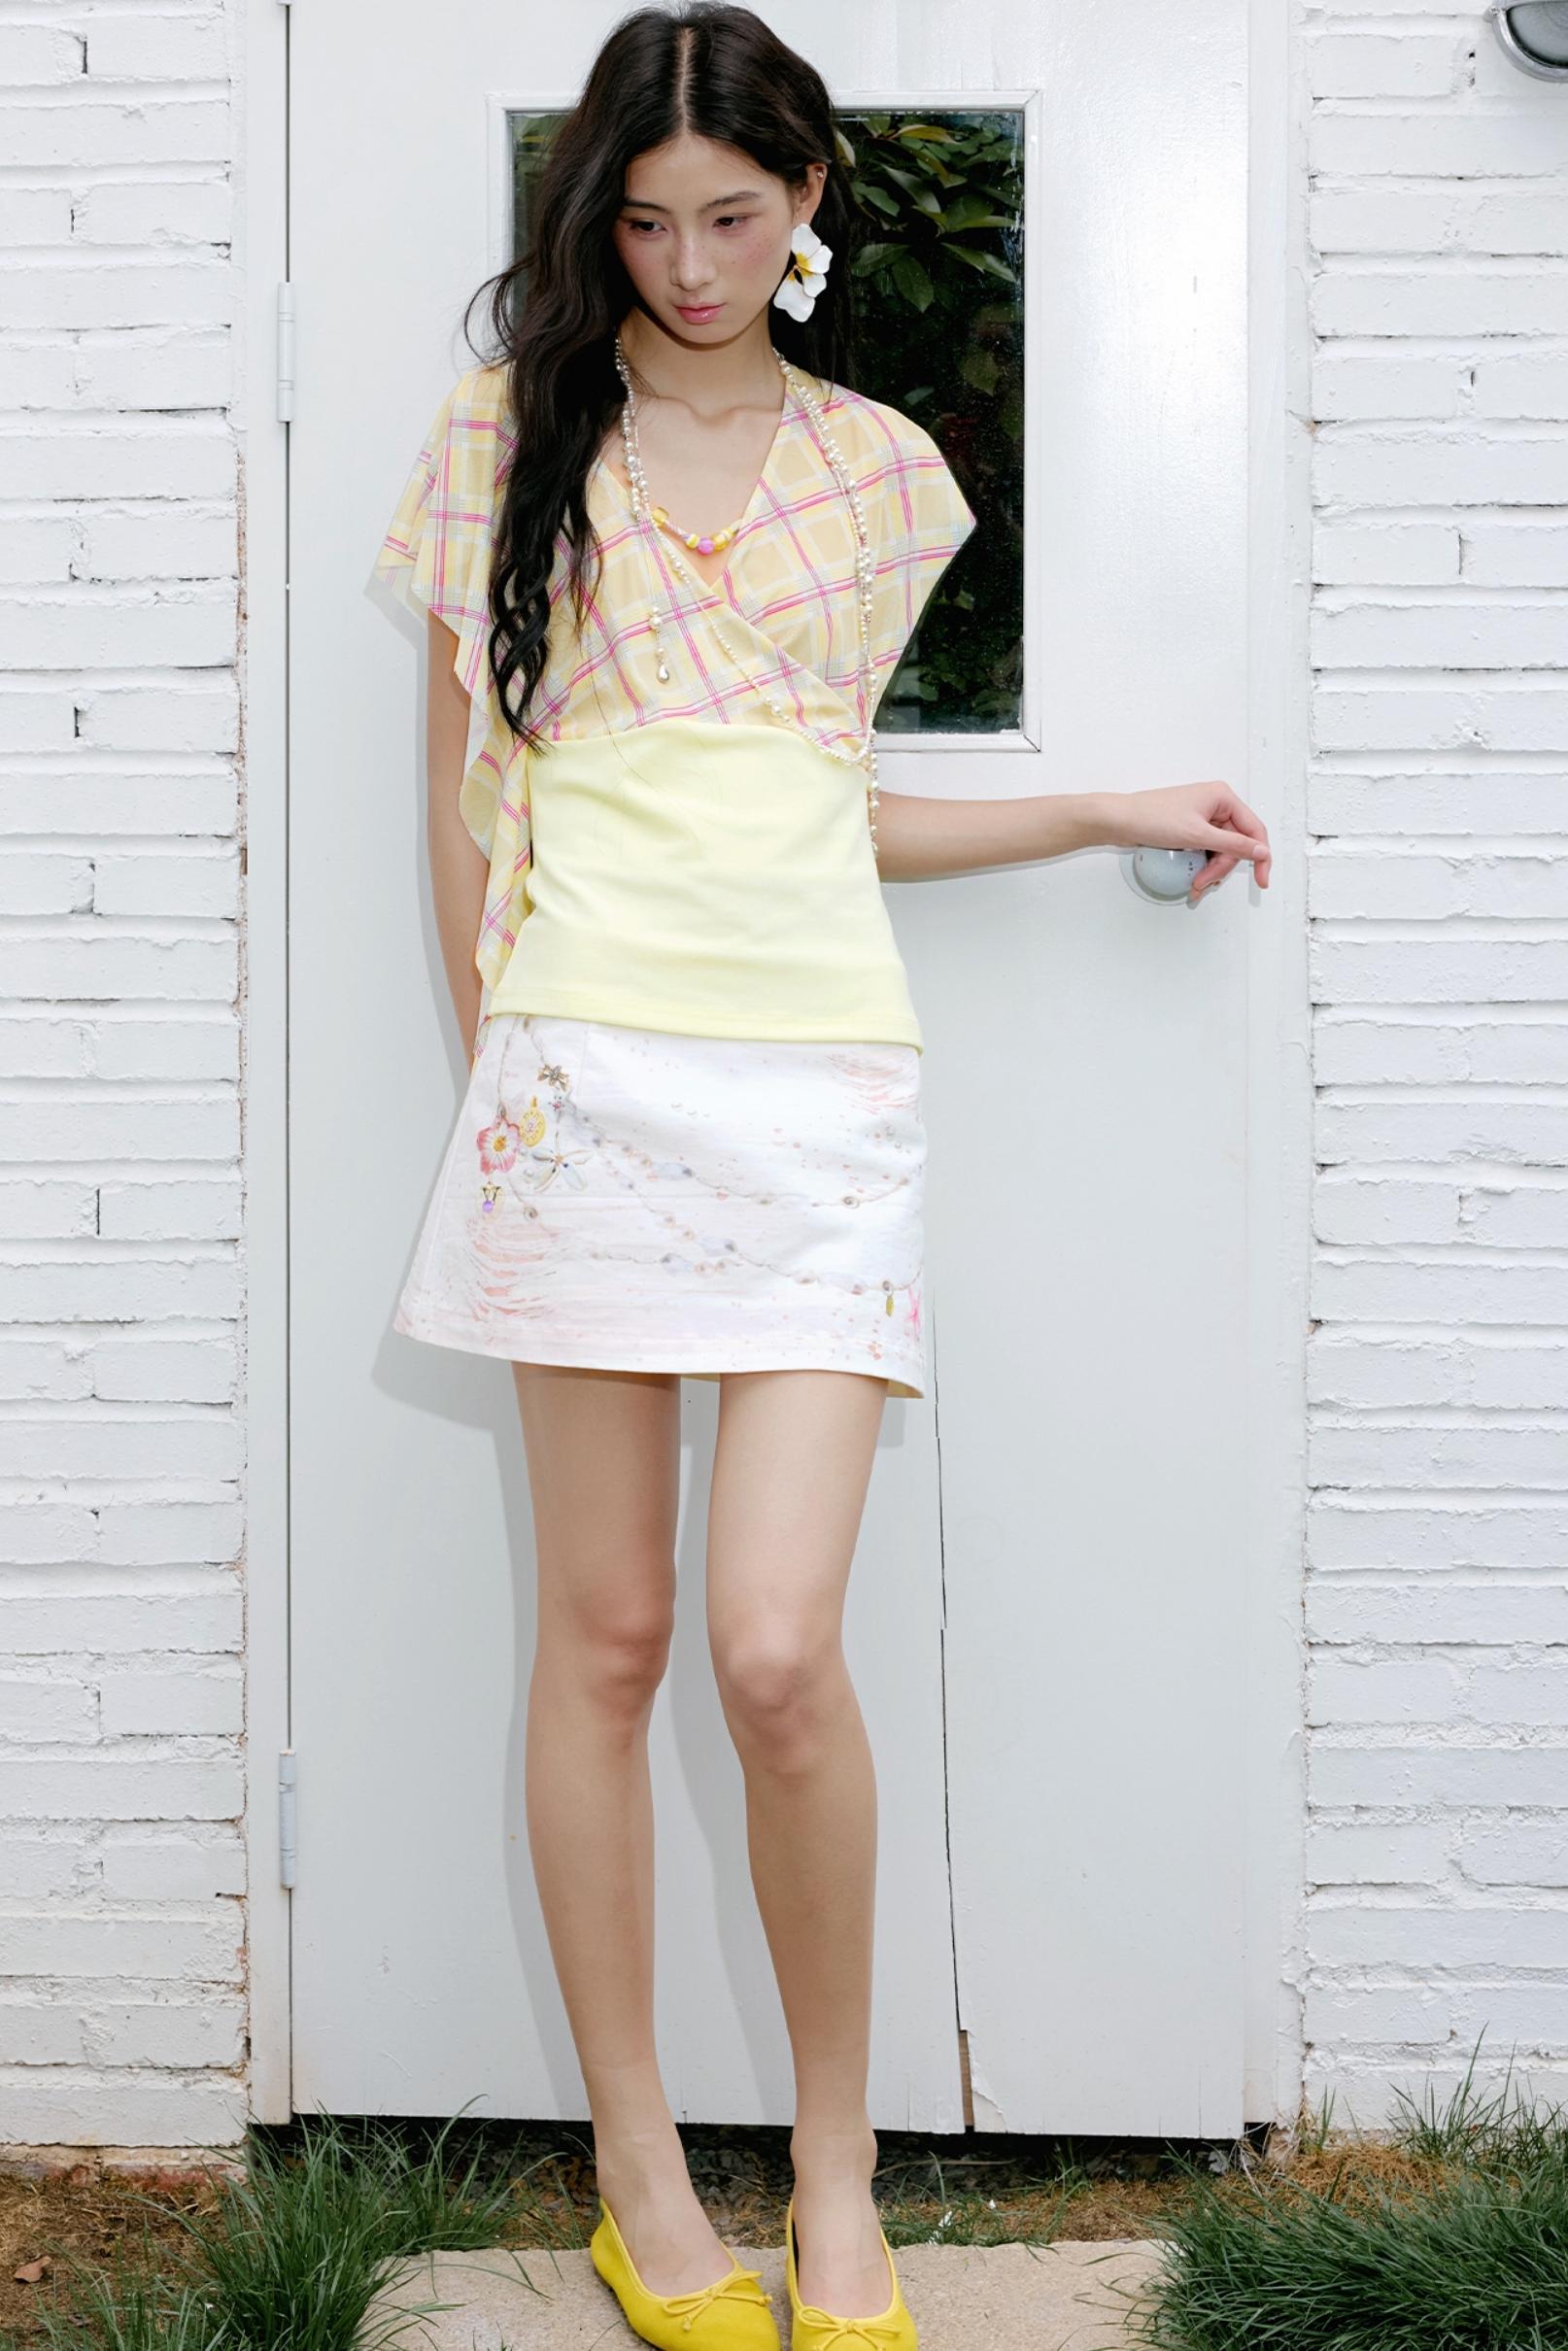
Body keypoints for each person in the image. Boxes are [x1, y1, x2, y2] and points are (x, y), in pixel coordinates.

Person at [370, 8, 1272, 2346]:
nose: (688, 263)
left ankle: (842, 2176)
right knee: (606, 1635)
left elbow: (817, 803)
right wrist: (501, 1084)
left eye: (733, 216)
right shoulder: (504, 441)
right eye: (646, 221)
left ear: (806, 205)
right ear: (598, 219)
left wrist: (1095, 808)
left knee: (775, 1652)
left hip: (817, 1099)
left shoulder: (885, 471)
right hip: (578, 1085)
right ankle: (641, 2176)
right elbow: (460, 813)